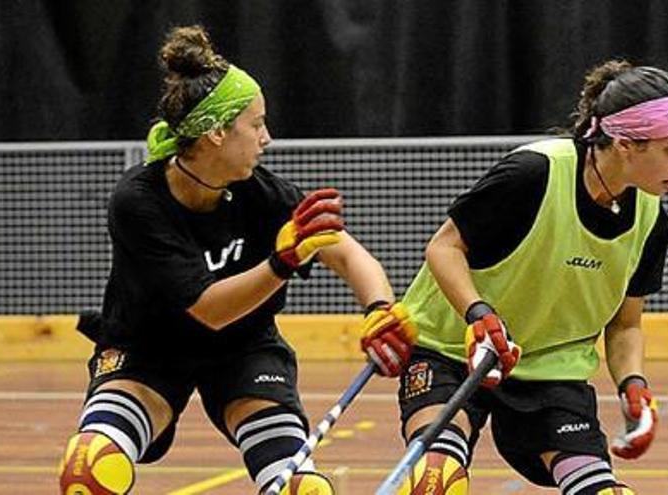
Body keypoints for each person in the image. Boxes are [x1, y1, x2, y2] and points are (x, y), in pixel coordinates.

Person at [57, 25, 416, 495]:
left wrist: (379, 309)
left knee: (298, 488)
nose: (266, 138)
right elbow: (209, 308)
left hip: (242, 349)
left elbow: (347, 254)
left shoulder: (260, 191)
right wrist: (280, 263)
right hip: (148, 349)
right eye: (257, 124)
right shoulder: (138, 201)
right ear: (215, 133)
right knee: (90, 469)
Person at [396, 60, 668, 495]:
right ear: (625, 144)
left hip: (549, 369)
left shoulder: (651, 219)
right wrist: (477, 313)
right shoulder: (534, 174)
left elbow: (626, 324)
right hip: (451, 349)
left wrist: (634, 384)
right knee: (435, 481)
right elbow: (444, 248)